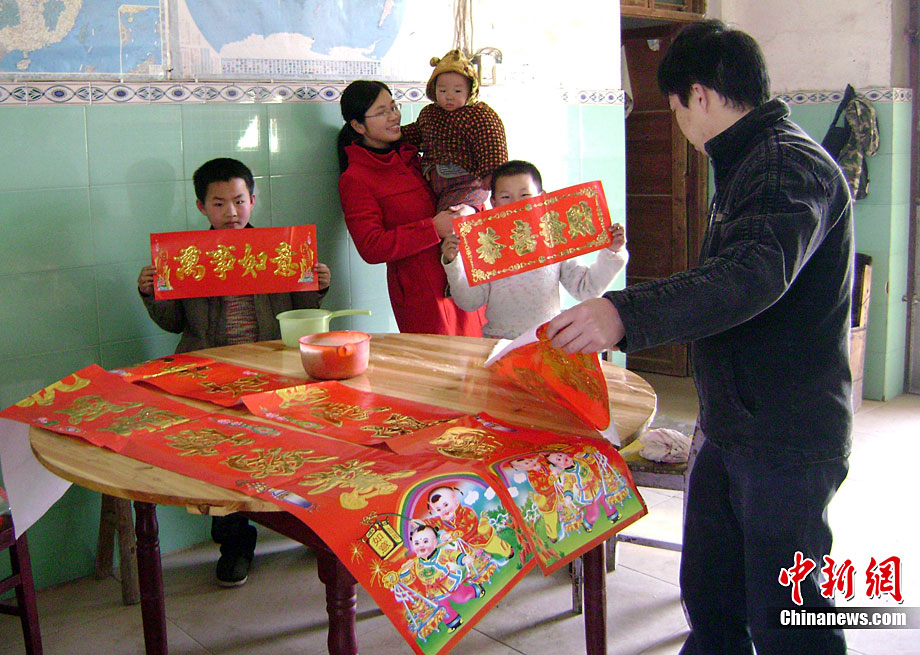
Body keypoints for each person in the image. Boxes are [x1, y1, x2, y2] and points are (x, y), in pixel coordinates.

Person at [546, 20, 853, 655]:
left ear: (700, 95)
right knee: (713, 595)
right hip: (733, 418)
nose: (680, 122)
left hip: (785, 431)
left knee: (789, 618)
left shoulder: (786, 166)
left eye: (676, 106)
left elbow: (749, 276)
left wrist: (623, 313)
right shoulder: (748, 160)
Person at [137, 157, 331, 587]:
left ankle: (314, 531)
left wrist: (318, 284)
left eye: (240, 201)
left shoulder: (281, 247)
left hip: (272, 369)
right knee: (222, 462)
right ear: (201, 207)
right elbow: (173, 323)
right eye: (219, 203)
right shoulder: (185, 254)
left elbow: (303, 313)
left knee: (293, 451)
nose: (231, 212)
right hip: (211, 373)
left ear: (253, 201)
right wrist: (151, 292)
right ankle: (235, 546)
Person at [337, 80, 485, 336]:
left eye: (394, 107)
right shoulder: (356, 178)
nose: (394, 116)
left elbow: (465, 189)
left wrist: (470, 210)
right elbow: (371, 246)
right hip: (422, 290)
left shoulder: (417, 157)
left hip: (463, 272)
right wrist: (433, 229)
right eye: (382, 112)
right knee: (440, 357)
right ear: (358, 126)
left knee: (485, 351)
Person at [440, 160, 628, 339]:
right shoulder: (487, 245)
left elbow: (586, 289)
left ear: (542, 197)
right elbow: (470, 302)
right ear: (494, 203)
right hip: (497, 342)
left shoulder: (556, 239)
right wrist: (454, 264)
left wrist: (612, 253)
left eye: (525, 195)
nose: (516, 204)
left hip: (546, 341)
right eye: (506, 197)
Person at [400, 48, 508, 212]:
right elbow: (416, 133)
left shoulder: (479, 115)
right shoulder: (430, 113)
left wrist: (492, 175)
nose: (449, 96)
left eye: (457, 91)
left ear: (470, 90)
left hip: (466, 184)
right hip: (433, 180)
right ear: (434, 89)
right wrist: (395, 135)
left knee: (452, 215)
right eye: (442, 90)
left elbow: (492, 145)